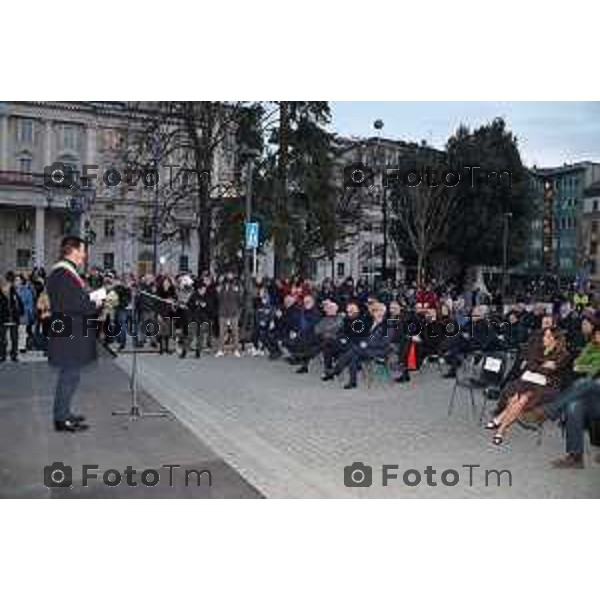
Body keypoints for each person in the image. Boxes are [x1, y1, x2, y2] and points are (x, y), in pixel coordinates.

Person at [47, 236, 100, 433]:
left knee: (71, 376)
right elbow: (75, 305)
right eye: (83, 250)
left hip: (69, 333)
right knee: (68, 376)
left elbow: (74, 300)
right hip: (69, 335)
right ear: (73, 250)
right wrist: (95, 302)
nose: (85, 255)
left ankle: (64, 413)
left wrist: (93, 297)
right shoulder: (63, 274)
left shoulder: (65, 273)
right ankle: (61, 420)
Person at [485, 327, 571, 445]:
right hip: (529, 381)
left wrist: (538, 365)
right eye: (544, 335)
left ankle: (500, 427)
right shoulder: (540, 348)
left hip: (547, 386)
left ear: (555, 340)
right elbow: (530, 365)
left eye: (547, 336)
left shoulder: (563, 355)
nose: (543, 338)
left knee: (523, 398)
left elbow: (548, 373)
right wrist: (543, 365)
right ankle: (500, 425)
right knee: (516, 397)